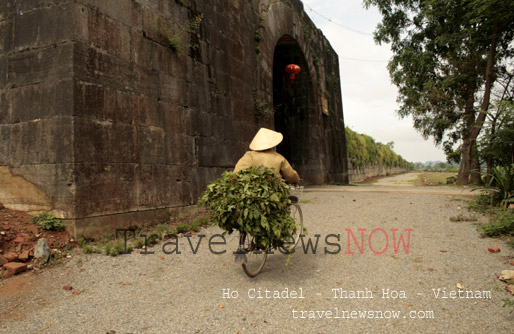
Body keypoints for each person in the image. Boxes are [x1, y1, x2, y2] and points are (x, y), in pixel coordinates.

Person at [234, 128, 300, 184]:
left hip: (252, 191)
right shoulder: (279, 157)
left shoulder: (250, 155)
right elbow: (291, 175)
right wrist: (296, 181)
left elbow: (237, 173)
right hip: (275, 191)